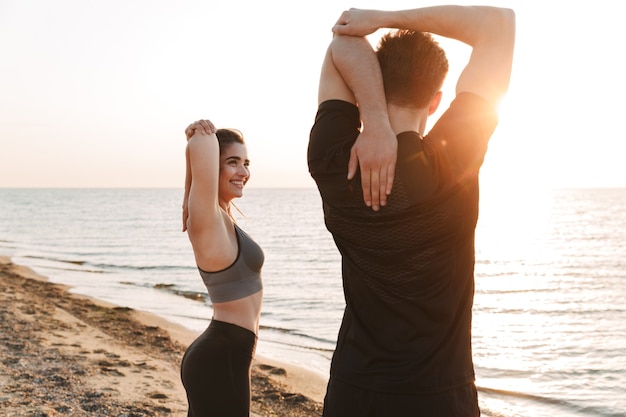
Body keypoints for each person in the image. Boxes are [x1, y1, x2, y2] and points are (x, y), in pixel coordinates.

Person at [307, 5, 515, 417]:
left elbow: (343, 42)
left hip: (354, 392)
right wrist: (385, 18)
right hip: (439, 397)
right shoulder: (452, 160)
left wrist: (376, 119)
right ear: (436, 101)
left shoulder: (332, 160)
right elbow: (498, 24)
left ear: (374, 86)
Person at [180, 119, 263, 416]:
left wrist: (192, 151)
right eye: (233, 162)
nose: (244, 172)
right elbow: (201, 149)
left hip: (228, 354)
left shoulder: (220, 215)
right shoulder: (208, 220)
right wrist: (201, 136)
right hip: (220, 358)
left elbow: (194, 190)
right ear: (213, 167)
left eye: (246, 163)